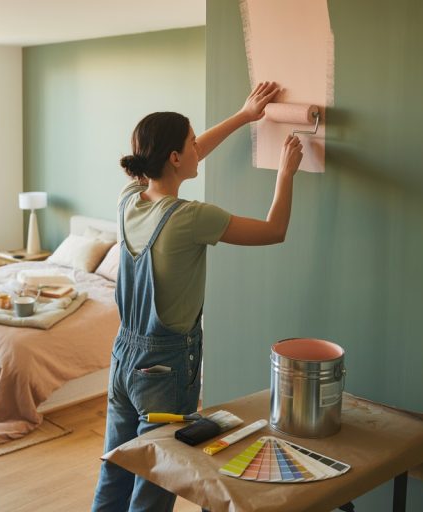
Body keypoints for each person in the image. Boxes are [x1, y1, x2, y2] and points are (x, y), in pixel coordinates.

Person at [91, 81, 304, 511]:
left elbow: (185, 155)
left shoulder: (129, 199)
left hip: (123, 360)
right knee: (157, 480)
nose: (197, 149)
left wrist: (245, 115)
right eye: (191, 143)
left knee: (116, 468)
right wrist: (285, 174)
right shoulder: (191, 218)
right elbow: (274, 231)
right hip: (164, 371)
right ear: (174, 157)